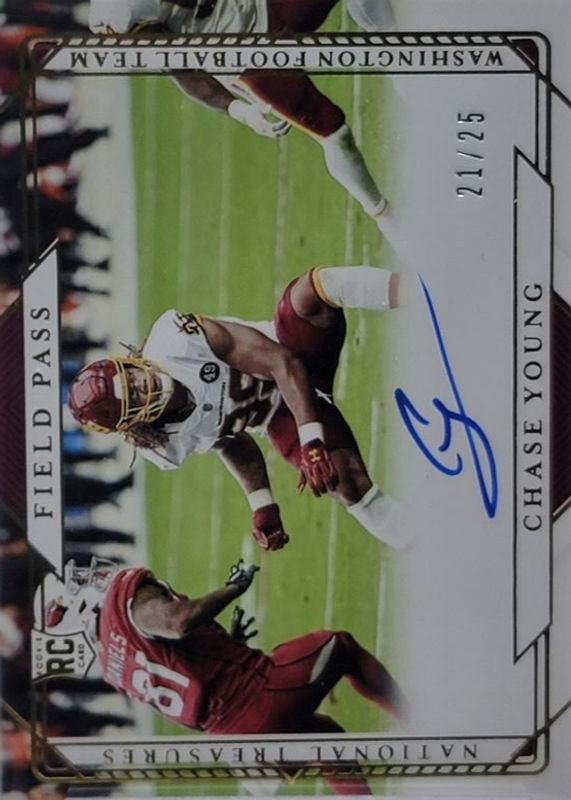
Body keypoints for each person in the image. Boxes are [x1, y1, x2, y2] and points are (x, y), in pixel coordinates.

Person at [68, 265, 410, 551]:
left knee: (310, 293)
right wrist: (262, 505)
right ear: (132, 421)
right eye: (134, 397)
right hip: (278, 415)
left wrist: (312, 441)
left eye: (131, 377)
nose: (142, 385)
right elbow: (227, 441)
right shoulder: (162, 446)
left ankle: (421, 292)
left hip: (294, 353)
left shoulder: (175, 341)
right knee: (341, 481)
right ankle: (415, 539)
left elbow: (281, 363)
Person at [52, 556, 406, 796]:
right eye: (81, 583)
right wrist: (234, 587)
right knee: (340, 646)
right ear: (82, 606)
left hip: (233, 740)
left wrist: (226, 647)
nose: (94, 576)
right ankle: (416, 717)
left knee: (323, 739)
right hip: (259, 702)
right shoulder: (127, 607)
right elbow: (179, 621)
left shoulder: (115, 667)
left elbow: (186, 698)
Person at [88, 0, 396, 227]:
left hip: (263, 5)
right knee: (333, 131)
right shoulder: (116, 13)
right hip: (242, 53)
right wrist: (237, 109)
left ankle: (399, 61)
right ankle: (385, 216)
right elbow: (181, 70)